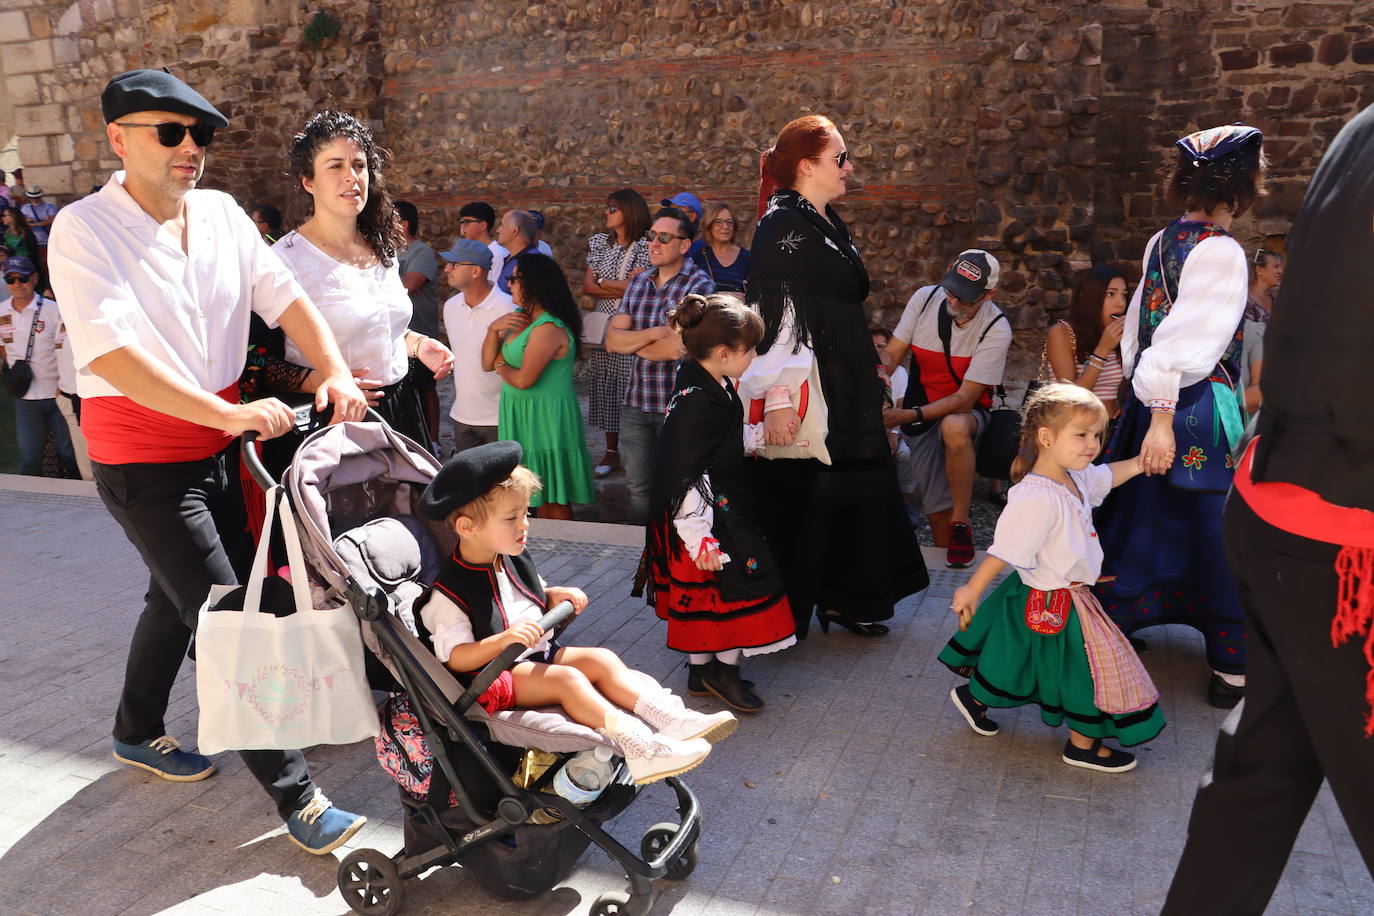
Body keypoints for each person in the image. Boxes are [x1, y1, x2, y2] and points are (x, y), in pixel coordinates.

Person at [47, 68, 369, 852]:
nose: (191, 148)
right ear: (120, 140)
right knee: (227, 620)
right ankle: (299, 800)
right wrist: (228, 412)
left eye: (201, 135)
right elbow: (115, 357)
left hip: (217, 449)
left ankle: (134, 727)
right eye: (171, 132)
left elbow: (288, 297)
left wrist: (331, 368)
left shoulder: (223, 214)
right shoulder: (83, 229)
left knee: (175, 595)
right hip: (143, 461)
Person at [1161, 101, 1374, 916]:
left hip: (1277, 495)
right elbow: (1196, 342)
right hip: (1344, 534)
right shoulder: (1217, 251)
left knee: (1256, 784)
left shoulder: (1356, 129)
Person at [415, 441, 735, 784]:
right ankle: (641, 749)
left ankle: (671, 719)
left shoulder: (508, 556)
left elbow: (520, 598)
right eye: (512, 518)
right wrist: (502, 641)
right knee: (569, 680)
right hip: (494, 677)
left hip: (533, 655)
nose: (525, 525)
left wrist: (553, 595)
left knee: (601, 659)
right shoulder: (449, 593)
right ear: (467, 528)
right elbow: (456, 659)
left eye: (525, 512)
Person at [1094, 124, 1261, 709]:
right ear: (1241, 185)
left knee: (1147, 514)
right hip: (1190, 408)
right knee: (1212, 526)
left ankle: (1120, 624)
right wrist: (1163, 414)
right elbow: (1188, 340)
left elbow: (1141, 330)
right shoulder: (1222, 252)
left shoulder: (1162, 239)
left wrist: (1148, 406)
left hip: (1154, 401)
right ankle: (1232, 664)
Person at [740, 114, 927, 638]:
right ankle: (780, 615)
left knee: (853, 486)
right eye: (840, 158)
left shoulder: (821, 220)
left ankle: (848, 597)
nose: (850, 167)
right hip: (809, 387)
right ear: (806, 165)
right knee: (803, 495)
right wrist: (777, 396)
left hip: (844, 385)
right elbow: (775, 315)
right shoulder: (782, 225)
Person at [939, 384, 1161, 771]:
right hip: (1053, 600)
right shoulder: (1036, 496)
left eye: (1097, 435)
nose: (1092, 444)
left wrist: (1143, 462)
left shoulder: (1077, 477)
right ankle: (1081, 746)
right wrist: (972, 588)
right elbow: (1005, 549)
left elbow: (1108, 474)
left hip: (1060, 596)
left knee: (1016, 659)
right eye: (1081, 434)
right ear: (1046, 437)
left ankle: (976, 698)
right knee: (1083, 670)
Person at [267, 110, 453, 455]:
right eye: (335, 166)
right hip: (331, 423)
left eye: (359, 165)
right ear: (308, 181)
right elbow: (257, 362)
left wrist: (418, 345)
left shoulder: (381, 246)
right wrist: (326, 380)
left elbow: (381, 326)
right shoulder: (284, 260)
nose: (351, 177)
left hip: (402, 414)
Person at [644, 294, 796, 712]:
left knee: (711, 596)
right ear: (725, 353)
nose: (754, 358)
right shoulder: (698, 402)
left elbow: (718, 443)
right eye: (750, 350)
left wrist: (759, 436)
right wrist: (699, 537)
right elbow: (684, 473)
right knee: (730, 594)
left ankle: (702, 671)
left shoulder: (706, 383)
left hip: (715, 512)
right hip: (704, 520)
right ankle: (721, 672)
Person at [880, 250, 1012, 568]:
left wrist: (906, 416)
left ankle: (962, 521)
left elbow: (966, 398)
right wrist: (881, 376)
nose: (953, 300)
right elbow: (893, 352)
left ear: (989, 294)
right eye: (952, 289)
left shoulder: (997, 328)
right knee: (936, 515)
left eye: (965, 297)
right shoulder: (925, 298)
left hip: (966, 416)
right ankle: (949, 566)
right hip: (922, 411)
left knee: (953, 425)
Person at [605, 207, 713, 525]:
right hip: (636, 403)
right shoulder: (639, 283)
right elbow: (612, 341)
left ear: (684, 245)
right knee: (639, 488)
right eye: (651, 235)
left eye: (664, 237)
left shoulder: (699, 285)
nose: (653, 242)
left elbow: (678, 347)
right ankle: (642, 553)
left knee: (679, 487)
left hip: (678, 405)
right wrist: (655, 333)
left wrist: (635, 342)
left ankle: (674, 556)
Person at [483, 251, 594, 520]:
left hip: (545, 419)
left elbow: (522, 379)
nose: (508, 284)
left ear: (534, 283)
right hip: (522, 413)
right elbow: (487, 363)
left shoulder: (548, 328)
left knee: (553, 498)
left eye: (514, 278)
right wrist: (492, 330)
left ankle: (567, 553)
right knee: (536, 497)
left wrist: (501, 364)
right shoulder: (520, 319)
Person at [582, 188, 652, 478]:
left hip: (631, 325)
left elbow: (643, 285)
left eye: (613, 209)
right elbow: (587, 287)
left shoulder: (647, 245)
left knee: (629, 386)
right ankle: (611, 451)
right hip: (602, 330)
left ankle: (637, 451)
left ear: (629, 211)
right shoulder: (600, 244)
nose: (606, 213)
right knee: (606, 386)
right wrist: (618, 283)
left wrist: (603, 280)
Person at [1, 256, 79, 478]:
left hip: (57, 393)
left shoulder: (54, 310)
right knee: (30, 456)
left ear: (34, 278)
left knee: (68, 453)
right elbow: (2, 348)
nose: (17, 283)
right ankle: (30, 507)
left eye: (22, 278)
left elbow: (64, 349)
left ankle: (76, 503)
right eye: (10, 278)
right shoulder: (1, 311)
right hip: (24, 397)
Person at [440, 238, 514, 453]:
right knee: (468, 485)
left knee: (502, 485)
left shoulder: (508, 306)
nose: (447, 269)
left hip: (500, 417)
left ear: (475, 271)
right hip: (461, 415)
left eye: (454, 264)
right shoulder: (451, 306)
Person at [1043, 265, 1128, 418]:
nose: (1120, 303)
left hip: (1114, 429)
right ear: (1086, 296)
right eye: (1110, 294)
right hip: (1077, 429)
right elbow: (1072, 398)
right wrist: (1102, 350)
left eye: (1124, 295)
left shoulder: (1121, 334)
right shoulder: (1062, 333)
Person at [395, 200, 443, 451]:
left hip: (421, 335)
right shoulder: (383, 252)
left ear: (404, 224)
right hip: (396, 339)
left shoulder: (421, 252)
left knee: (426, 388)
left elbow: (410, 283)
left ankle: (433, 441)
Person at [690, 201, 751, 294]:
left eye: (729, 222)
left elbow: (756, 295)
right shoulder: (698, 258)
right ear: (709, 225)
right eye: (718, 222)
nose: (725, 226)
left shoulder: (747, 258)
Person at [457, 201, 506, 285]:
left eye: (467, 222)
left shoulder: (498, 254)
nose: (462, 226)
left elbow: (495, 289)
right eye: (461, 222)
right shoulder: (469, 254)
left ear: (483, 225)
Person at [494, 209, 536, 294]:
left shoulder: (532, 263)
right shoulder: (509, 259)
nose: (497, 230)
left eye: (502, 225)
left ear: (514, 231)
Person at [1245, 247, 1283, 325]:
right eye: (1276, 267)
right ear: (1259, 270)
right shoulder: (1245, 302)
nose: (1280, 271)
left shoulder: (1275, 301)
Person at [20, 186, 57, 255]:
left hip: (47, 240)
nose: (34, 199)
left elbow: (52, 220)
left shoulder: (49, 206)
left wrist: (35, 224)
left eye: (36, 197)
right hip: (32, 241)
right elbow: (20, 220)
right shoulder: (25, 208)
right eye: (32, 198)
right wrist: (26, 220)